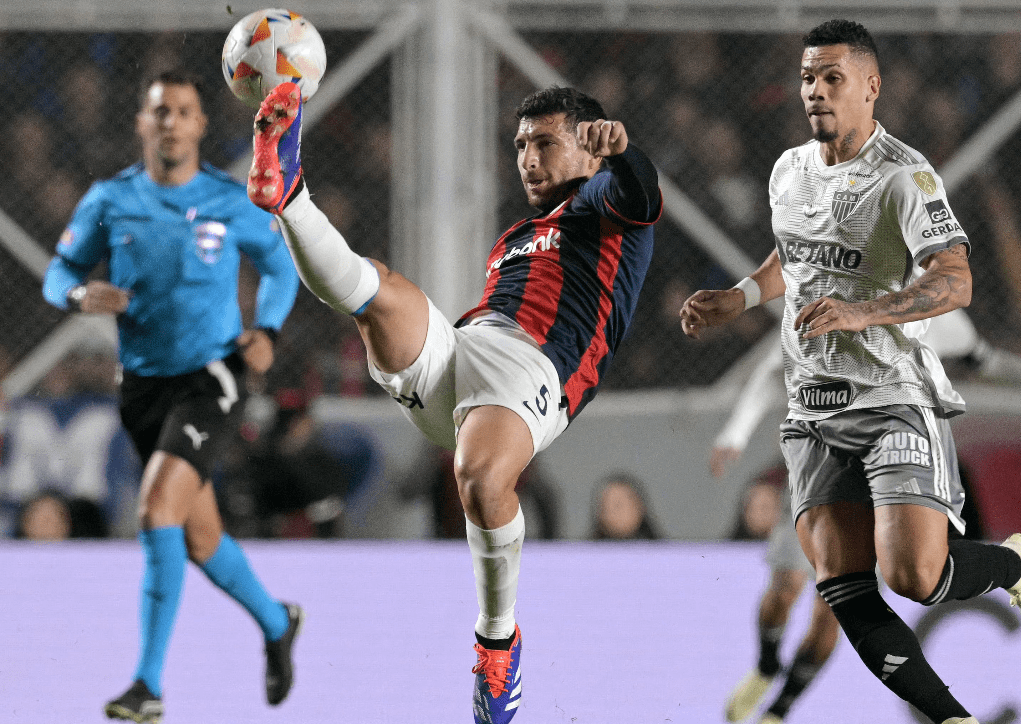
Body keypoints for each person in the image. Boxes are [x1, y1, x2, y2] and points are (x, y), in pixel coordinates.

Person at [680, 20, 1021, 724]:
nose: (816, 91)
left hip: (894, 399)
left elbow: (956, 281)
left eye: (832, 78)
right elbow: (790, 258)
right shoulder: (788, 169)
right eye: (807, 78)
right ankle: (953, 718)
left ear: (871, 86)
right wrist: (737, 298)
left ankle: (1016, 565)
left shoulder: (904, 175)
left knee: (916, 577)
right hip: (811, 412)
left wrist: (869, 312)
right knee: (844, 586)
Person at [247, 82, 660, 723]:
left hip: (535, 370)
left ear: (589, 149)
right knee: (378, 289)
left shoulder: (603, 202)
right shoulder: (516, 235)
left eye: (545, 143)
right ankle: (288, 196)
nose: (527, 158)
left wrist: (625, 155)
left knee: (481, 476)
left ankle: (498, 643)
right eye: (521, 144)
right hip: (465, 354)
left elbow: (643, 195)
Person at [41, 70, 303, 723]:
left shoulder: (228, 199)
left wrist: (266, 330)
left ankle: (146, 685)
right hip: (142, 388)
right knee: (200, 538)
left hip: (212, 378)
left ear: (199, 125)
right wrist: (77, 295)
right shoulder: (110, 200)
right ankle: (276, 622)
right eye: (159, 110)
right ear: (141, 122)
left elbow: (278, 267)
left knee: (157, 511)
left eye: (182, 111)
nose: (170, 122)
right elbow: (59, 272)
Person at [713, 309, 1021, 724]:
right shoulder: (824, 279)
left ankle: (778, 711)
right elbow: (774, 365)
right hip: (821, 456)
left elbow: (989, 361)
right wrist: (736, 431)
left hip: (895, 458)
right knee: (795, 589)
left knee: (875, 592)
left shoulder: (938, 309)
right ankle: (766, 666)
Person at [590, 472, 662, 540]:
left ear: (639, 506)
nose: (612, 512)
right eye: (604, 507)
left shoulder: (663, 551)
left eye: (618, 505)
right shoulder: (587, 551)